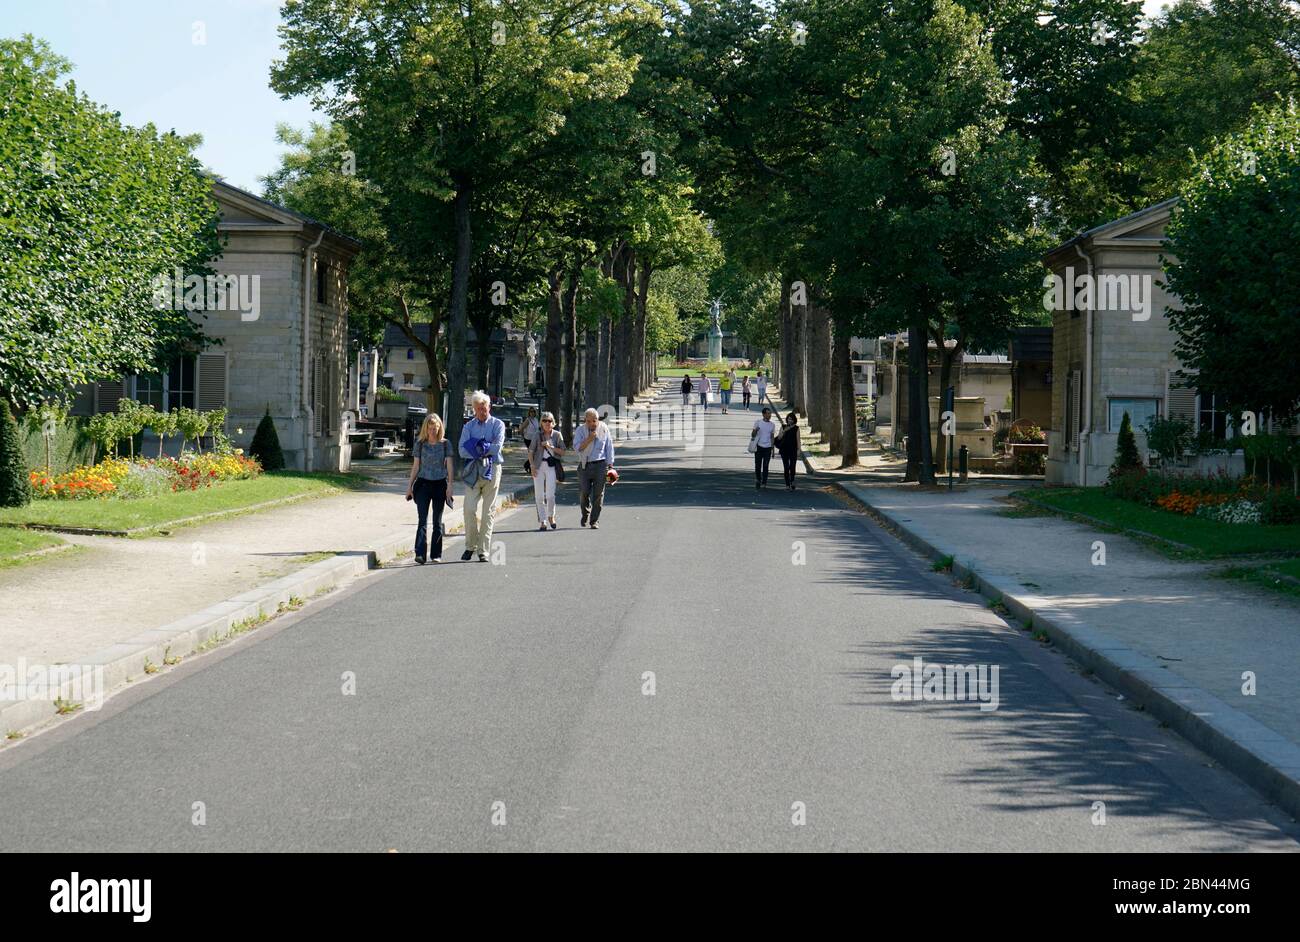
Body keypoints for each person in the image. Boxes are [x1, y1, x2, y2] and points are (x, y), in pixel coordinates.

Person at [457, 390, 506, 562]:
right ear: (474, 409)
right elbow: (462, 450)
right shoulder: (468, 427)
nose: (482, 411)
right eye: (478, 408)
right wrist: (483, 448)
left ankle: (483, 550)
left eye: (484, 408)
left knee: (488, 512)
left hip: (492, 469)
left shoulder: (498, 424)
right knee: (469, 509)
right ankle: (470, 545)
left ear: (489, 407)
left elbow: (496, 448)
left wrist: (475, 446)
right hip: (472, 470)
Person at [404, 413, 455, 564]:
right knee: (422, 520)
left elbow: (450, 466)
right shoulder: (420, 444)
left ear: (440, 428)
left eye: (435, 428)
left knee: (437, 522)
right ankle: (420, 553)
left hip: (440, 484)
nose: (432, 431)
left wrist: (450, 486)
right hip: (423, 484)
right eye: (430, 428)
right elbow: (415, 466)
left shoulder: (445, 444)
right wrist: (409, 487)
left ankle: (436, 554)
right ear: (426, 428)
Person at [573, 407, 615, 528]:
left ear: (598, 419)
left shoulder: (604, 428)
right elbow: (577, 448)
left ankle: (594, 520)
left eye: (595, 420)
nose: (592, 423)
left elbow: (609, 446)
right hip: (585, 465)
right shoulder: (580, 430)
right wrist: (589, 439)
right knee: (584, 492)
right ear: (585, 420)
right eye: (589, 421)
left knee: (598, 494)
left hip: (600, 465)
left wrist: (610, 465)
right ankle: (585, 513)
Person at [528, 411, 565, 531]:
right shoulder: (537, 435)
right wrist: (532, 465)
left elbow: (563, 451)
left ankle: (551, 516)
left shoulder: (557, 435)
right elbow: (530, 451)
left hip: (551, 466)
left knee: (550, 495)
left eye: (549, 421)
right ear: (541, 423)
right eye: (544, 420)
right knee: (539, 496)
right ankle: (542, 521)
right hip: (538, 466)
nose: (547, 423)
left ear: (553, 423)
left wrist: (551, 447)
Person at [750, 406, 778, 490]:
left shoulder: (772, 425)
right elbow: (753, 435)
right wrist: (755, 430)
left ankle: (764, 482)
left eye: (770, 414)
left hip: (768, 447)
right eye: (768, 413)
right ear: (763, 414)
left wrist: (773, 448)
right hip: (759, 447)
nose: (769, 415)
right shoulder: (758, 422)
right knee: (758, 465)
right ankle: (758, 479)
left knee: (766, 465)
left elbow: (772, 437)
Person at [775, 411, 801, 490]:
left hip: (793, 449)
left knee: (792, 466)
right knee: (786, 467)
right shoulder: (783, 427)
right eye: (789, 419)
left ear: (794, 420)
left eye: (791, 419)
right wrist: (784, 431)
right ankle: (787, 484)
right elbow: (779, 437)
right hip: (784, 449)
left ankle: (792, 480)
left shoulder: (796, 428)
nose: (790, 421)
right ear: (787, 419)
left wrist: (799, 450)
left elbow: (798, 440)